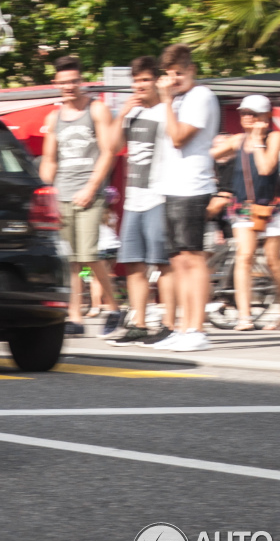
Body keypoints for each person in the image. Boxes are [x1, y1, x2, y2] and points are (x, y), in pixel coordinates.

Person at [40, 55, 118, 335]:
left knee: (90, 255)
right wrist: (44, 192)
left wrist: (91, 187)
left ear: (81, 81)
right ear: (56, 84)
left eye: (74, 81)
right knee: (70, 259)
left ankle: (113, 307)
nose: (69, 86)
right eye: (64, 82)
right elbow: (50, 159)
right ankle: (75, 318)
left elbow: (109, 152)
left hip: (90, 193)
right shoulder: (54, 117)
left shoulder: (96, 110)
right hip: (62, 194)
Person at [151, 44, 221, 352]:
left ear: (191, 69)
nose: (173, 80)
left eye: (178, 73)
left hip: (193, 186)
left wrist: (167, 101)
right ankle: (182, 327)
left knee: (193, 259)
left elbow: (179, 138)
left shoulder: (200, 97)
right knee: (178, 261)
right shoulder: (177, 99)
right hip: (173, 186)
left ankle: (198, 328)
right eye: (169, 74)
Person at [107, 56, 177, 346]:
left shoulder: (165, 112)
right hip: (133, 199)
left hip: (159, 196)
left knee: (161, 263)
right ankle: (137, 322)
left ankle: (168, 324)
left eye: (146, 80)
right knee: (134, 264)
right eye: (136, 81)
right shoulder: (132, 113)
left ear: (156, 81)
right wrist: (123, 112)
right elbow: (110, 147)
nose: (140, 86)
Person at [211, 94, 280, 331]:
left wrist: (259, 139)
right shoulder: (237, 140)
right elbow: (208, 156)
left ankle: (279, 310)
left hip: (271, 206)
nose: (247, 117)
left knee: (274, 261)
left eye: (252, 113)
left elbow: (265, 167)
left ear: (265, 116)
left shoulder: (274, 138)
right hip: (242, 207)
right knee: (245, 256)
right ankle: (244, 316)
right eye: (243, 113)